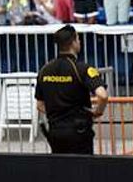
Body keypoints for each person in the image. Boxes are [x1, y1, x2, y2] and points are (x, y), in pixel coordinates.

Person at [35, 25, 108, 155]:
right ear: (73, 42)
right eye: (78, 39)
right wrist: (98, 112)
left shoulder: (44, 70)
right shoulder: (82, 69)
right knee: (82, 170)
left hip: (55, 131)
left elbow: (40, 105)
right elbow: (102, 95)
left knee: (61, 171)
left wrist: (58, 113)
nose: (79, 42)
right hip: (79, 131)